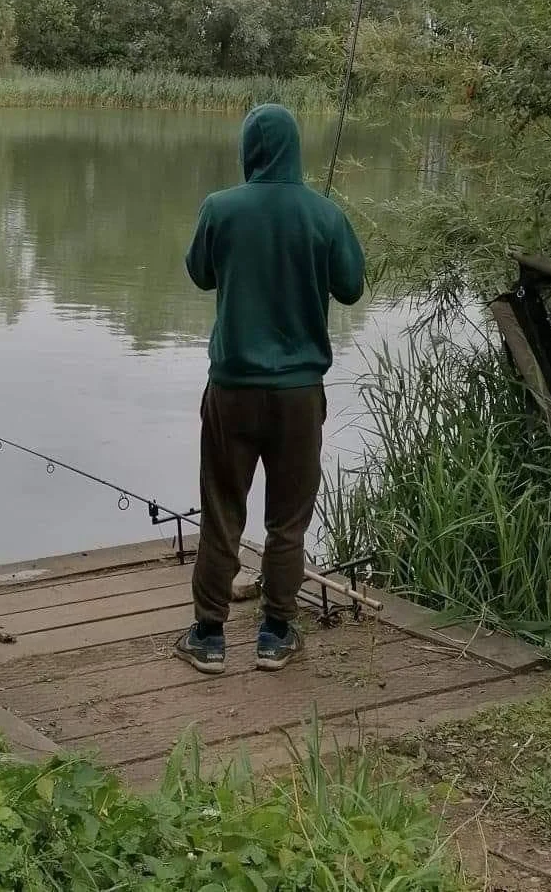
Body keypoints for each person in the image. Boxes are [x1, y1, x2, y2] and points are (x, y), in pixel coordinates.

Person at [176, 103, 365, 674]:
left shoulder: (220, 208)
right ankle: (276, 635)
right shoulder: (325, 215)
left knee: (221, 508)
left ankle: (208, 637)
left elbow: (200, 273)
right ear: (295, 149)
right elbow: (352, 288)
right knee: (287, 519)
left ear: (248, 151)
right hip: (299, 396)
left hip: (231, 389)